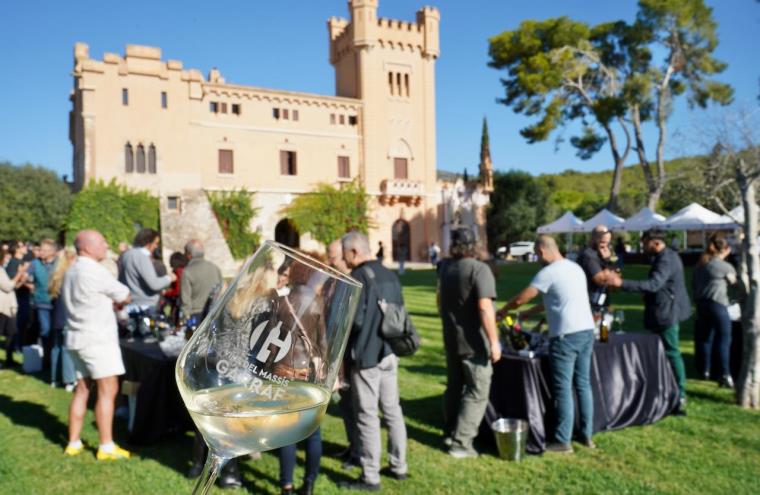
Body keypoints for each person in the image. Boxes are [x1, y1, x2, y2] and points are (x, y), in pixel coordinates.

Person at [498, 235, 596, 453]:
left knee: (563, 389)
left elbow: (523, 297)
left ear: (542, 251)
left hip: (565, 337)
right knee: (583, 385)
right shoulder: (575, 268)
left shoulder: (548, 272)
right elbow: (555, 300)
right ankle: (587, 435)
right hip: (587, 331)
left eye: (537, 254)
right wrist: (526, 314)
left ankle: (563, 441)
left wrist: (505, 310)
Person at [339, 232, 407, 491]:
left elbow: (354, 321)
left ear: (354, 251)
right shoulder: (390, 273)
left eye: (346, 254)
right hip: (389, 351)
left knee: (367, 416)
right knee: (393, 410)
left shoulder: (359, 277)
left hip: (367, 355)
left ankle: (370, 476)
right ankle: (399, 465)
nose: (345, 260)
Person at [63, 230, 132, 460]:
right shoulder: (94, 270)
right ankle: (106, 445)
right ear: (87, 247)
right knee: (107, 390)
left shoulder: (71, 270)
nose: (106, 245)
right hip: (97, 339)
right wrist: (118, 302)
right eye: (102, 242)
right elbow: (124, 294)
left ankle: (73, 441)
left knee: (82, 389)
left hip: (75, 336)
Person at [608, 229, 691, 415]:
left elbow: (654, 284)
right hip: (663, 309)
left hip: (667, 313)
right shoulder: (664, 256)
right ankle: (667, 388)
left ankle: (680, 395)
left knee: (672, 352)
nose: (643, 247)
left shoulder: (666, 259)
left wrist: (621, 283)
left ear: (655, 242)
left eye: (645, 243)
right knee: (665, 352)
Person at [438, 227, 500, 458]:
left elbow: (439, 299)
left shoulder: (445, 267)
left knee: (454, 388)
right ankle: (461, 443)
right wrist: (494, 342)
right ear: (475, 244)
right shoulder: (478, 269)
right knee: (476, 390)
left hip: (451, 338)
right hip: (473, 343)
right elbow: (485, 307)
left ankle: (450, 432)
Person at [327, 239, 360, 469]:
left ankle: (359, 452)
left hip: (351, 357)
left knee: (357, 408)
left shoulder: (354, 282)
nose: (329, 260)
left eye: (333, 257)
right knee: (346, 407)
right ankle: (353, 446)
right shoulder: (335, 280)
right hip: (338, 356)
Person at [693, 234, 737, 388]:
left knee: (706, 339)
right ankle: (725, 374)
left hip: (701, 304)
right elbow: (735, 284)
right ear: (725, 249)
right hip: (718, 304)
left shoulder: (701, 264)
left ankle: (705, 369)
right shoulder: (724, 266)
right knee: (724, 339)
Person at [118, 228, 173, 313]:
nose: (156, 246)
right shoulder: (141, 257)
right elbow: (154, 284)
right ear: (148, 243)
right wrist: (169, 278)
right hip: (145, 306)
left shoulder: (126, 255)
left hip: (131, 305)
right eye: (155, 243)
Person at [48, 248, 77, 390]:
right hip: (66, 315)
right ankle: (69, 380)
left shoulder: (56, 275)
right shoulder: (69, 275)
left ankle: (55, 378)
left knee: (57, 347)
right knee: (66, 348)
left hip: (57, 316)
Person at [30, 239, 58, 368]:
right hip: (42, 302)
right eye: (40, 249)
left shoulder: (58, 264)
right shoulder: (34, 263)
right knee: (45, 330)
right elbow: (26, 276)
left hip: (56, 302)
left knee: (55, 331)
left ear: (52, 252)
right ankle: (46, 359)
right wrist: (28, 284)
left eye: (44, 250)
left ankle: (55, 359)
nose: (41, 252)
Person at [576, 225, 617, 313]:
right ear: (594, 239)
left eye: (608, 243)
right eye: (603, 242)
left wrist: (609, 262)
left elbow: (614, 284)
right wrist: (608, 262)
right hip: (590, 303)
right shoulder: (588, 255)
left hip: (601, 300)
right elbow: (601, 280)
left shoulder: (600, 254)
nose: (606, 246)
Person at [180, 240, 222, 321]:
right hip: (215, 312)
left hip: (196, 315)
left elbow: (185, 299)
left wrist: (185, 317)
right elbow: (222, 289)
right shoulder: (215, 268)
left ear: (189, 255)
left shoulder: (187, 271)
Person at [1, 261, 28, 369]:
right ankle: (8, 359)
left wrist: (21, 282)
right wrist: (20, 273)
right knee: (10, 332)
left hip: (6, 307)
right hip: (3, 307)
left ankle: (9, 359)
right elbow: (7, 287)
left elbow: (11, 287)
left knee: (11, 332)